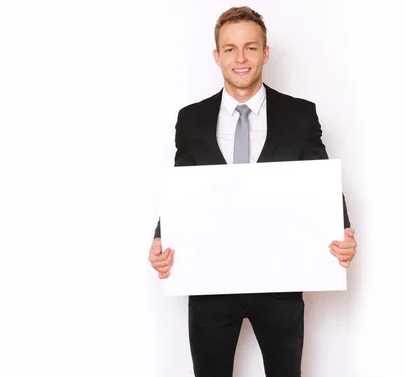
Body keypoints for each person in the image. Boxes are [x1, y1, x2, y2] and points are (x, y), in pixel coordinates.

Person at [148, 6, 357, 377]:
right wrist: (160, 236)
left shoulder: (300, 114)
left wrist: (342, 232)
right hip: (209, 278)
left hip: (280, 277)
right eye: (229, 49)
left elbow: (320, 181)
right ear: (217, 56)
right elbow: (185, 186)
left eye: (250, 48)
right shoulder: (191, 119)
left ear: (265, 52)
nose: (240, 58)